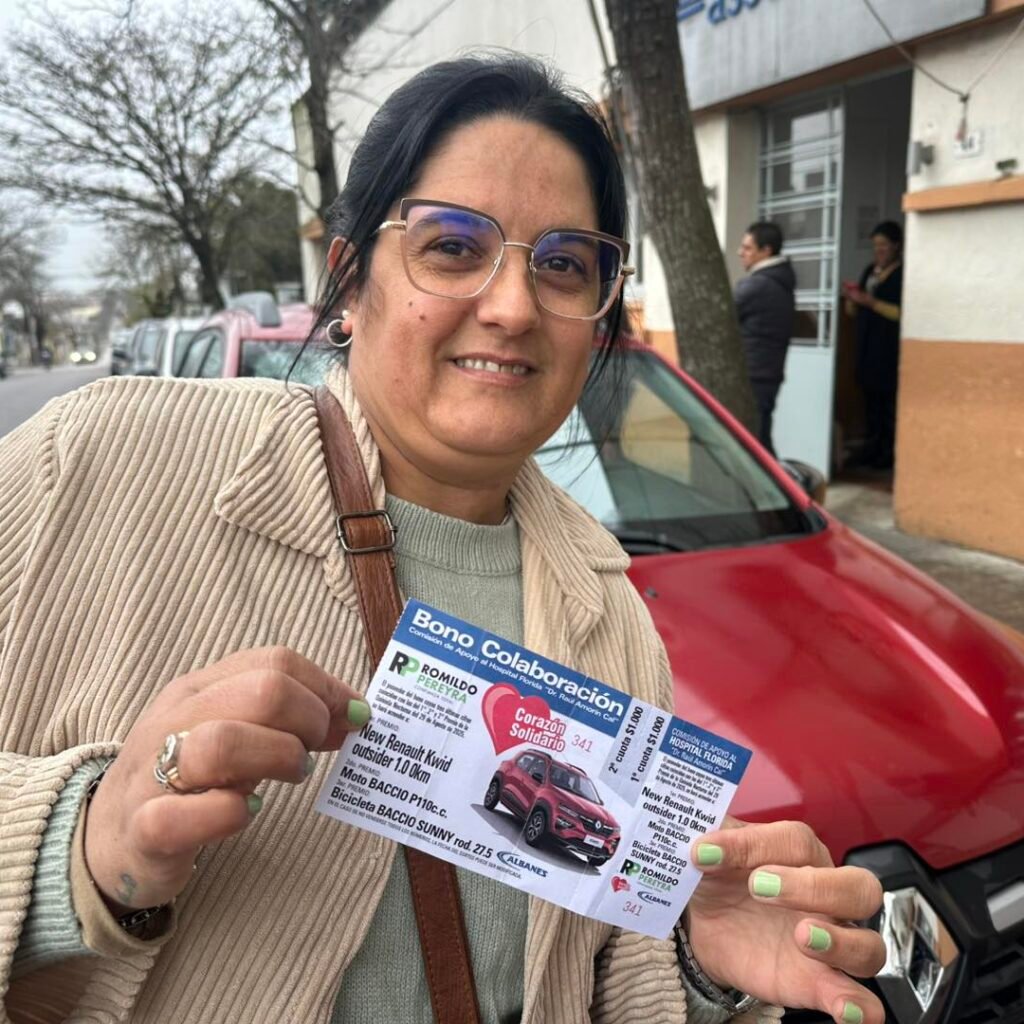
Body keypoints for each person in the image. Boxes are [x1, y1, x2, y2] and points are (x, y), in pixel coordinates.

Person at [1, 56, 885, 1024]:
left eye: (562, 263)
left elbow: (589, 964)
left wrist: (700, 966)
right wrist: (78, 846)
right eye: (454, 246)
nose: (512, 307)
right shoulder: (95, 460)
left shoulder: (610, 615)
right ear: (350, 278)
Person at [842, 221, 903, 469]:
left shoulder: (901, 274)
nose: (879, 251)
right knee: (870, 405)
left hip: (887, 348)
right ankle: (872, 448)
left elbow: (900, 313)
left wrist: (870, 302)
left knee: (887, 405)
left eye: (884, 245)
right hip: (867, 346)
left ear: (896, 246)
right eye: (875, 246)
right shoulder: (870, 271)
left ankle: (887, 454)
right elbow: (853, 311)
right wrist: (852, 299)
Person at [735, 222, 796, 456]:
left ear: (766, 251)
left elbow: (724, 316)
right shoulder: (780, 281)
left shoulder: (758, 285)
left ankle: (775, 479)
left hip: (753, 375)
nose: (740, 252)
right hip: (767, 374)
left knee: (754, 445)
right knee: (761, 439)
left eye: (748, 248)